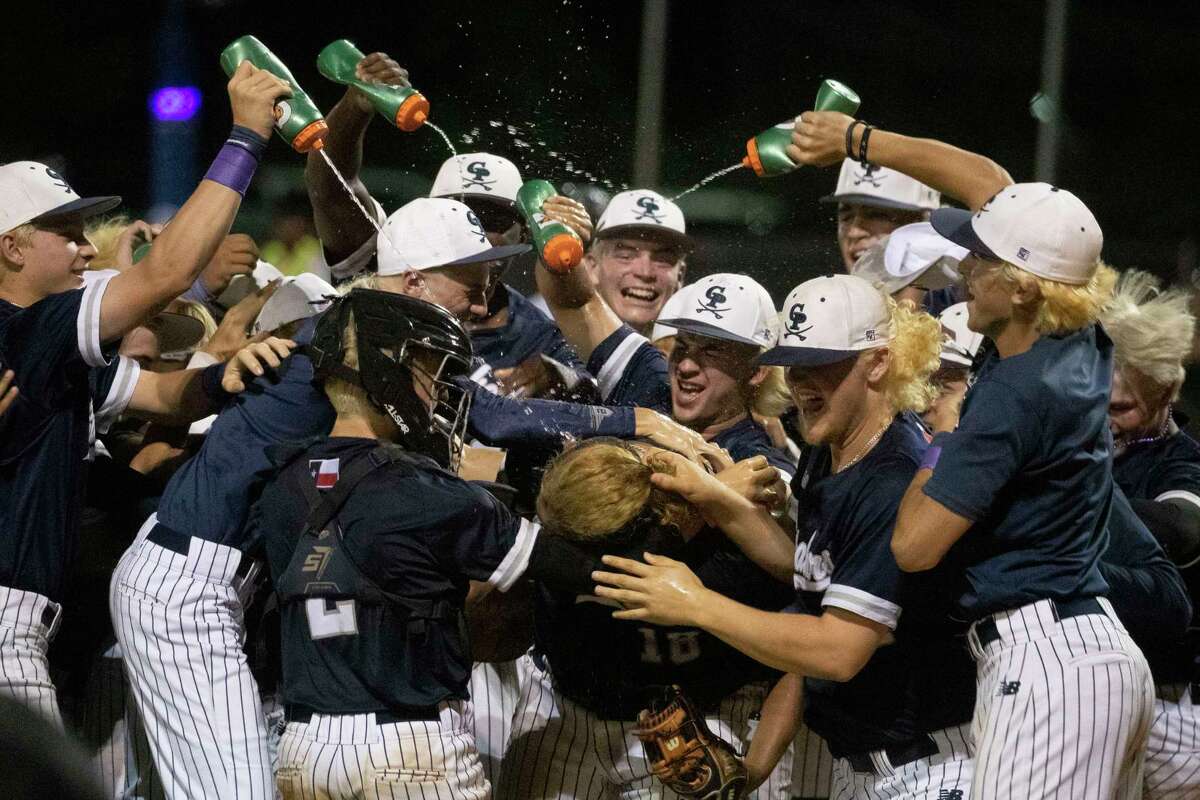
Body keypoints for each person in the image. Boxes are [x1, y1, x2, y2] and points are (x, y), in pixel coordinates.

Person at [787, 111, 1156, 797]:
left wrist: (944, 439)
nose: (965, 263)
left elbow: (914, 546)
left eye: (982, 259)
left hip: (1046, 663)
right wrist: (857, 140)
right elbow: (990, 183)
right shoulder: (1072, 332)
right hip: (1088, 652)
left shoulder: (1012, 399)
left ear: (1022, 286)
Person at [593, 274, 977, 800]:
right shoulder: (832, 445)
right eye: (794, 363)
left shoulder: (893, 476)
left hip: (927, 764)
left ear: (879, 361)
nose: (802, 382)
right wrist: (715, 498)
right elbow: (807, 590)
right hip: (861, 759)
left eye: (822, 362)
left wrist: (696, 604)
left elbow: (837, 650)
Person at [0, 61, 290, 727]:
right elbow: (167, 271)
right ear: (12, 248)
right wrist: (245, 137)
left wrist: (237, 370)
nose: (83, 249)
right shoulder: (34, 328)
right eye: (65, 233)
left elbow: (165, 395)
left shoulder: (43, 344)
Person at [251, 288, 602, 799]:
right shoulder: (428, 492)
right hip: (409, 748)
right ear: (388, 367)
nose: (438, 392)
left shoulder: (280, 483)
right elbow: (575, 569)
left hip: (304, 749)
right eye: (431, 372)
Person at [498, 437, 797, 800]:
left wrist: (755, 768)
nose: (558, 547)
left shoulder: (731, 554)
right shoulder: (567, 515)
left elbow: (797, 654)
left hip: (696, 722)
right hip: (562, 707)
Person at [1099, 269, 1200, 798]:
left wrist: (1073, 501)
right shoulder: (1091, 447)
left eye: (1120, 407)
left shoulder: (1182, 462)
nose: (1105, 421)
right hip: (1109, 686)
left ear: (1165, 391)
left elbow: (1182, 525)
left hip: (1174, 711)